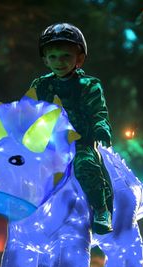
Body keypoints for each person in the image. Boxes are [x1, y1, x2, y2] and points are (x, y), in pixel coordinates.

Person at [30, 22, 113, 234]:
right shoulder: (40, 85)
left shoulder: (89, 86)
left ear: (79, 59)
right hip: (48, 144)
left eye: (66, 56)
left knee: (85, 166)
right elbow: (29, 111)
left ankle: (101, 208)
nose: (60, 62)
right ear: (45, 60)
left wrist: (101, 130)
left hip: (79, 144)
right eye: (54, 57)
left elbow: (98, 113)